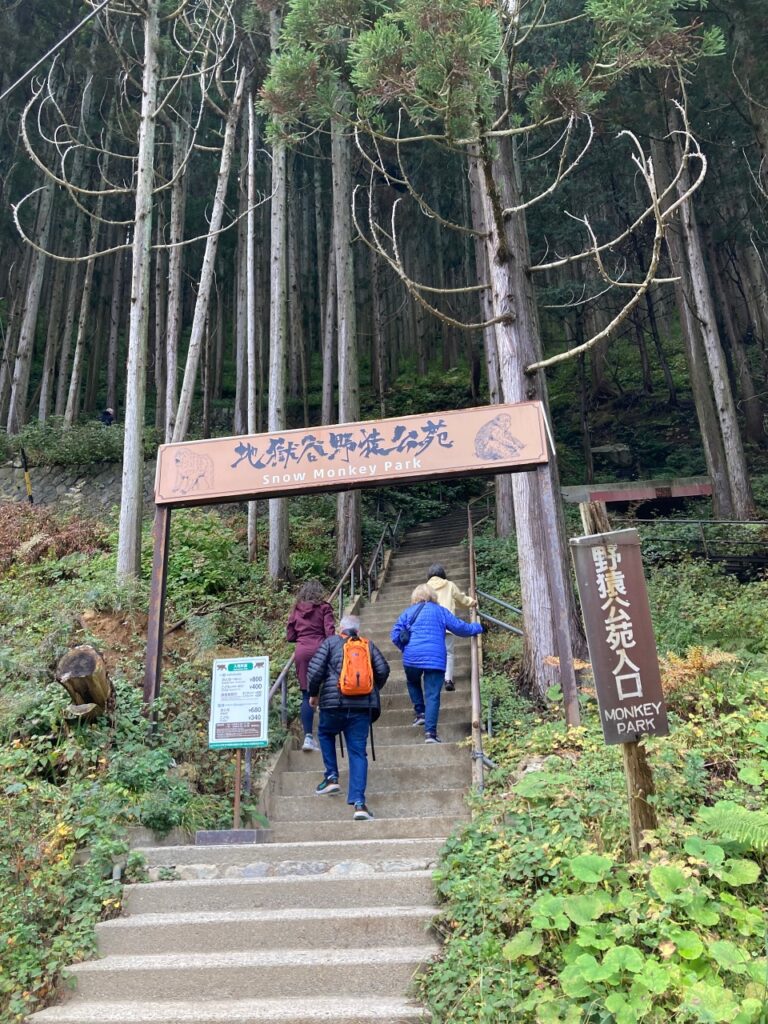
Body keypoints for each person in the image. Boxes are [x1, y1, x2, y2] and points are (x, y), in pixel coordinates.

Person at [307, 614, 390, 820]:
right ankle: (360, 805)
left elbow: (315, 670)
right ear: (358, 631)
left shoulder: (330, 643)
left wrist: (314, 694)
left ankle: (332, 776)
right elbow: (383, 669)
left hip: (333, 704)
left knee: (325, 733)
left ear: (340, 629)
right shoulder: (367, 645)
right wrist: (371, 689)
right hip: (361, 709)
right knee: (358, 753)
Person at [391, 584, 483, 743]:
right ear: (433, 596)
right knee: (432, 695)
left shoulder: (407, 612)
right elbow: (460, 628)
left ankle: (420, 713)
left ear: (415, 597)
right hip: (435, 658)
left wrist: (405, 649)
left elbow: (395, 635)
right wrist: (477, 627)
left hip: (412, 657)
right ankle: (430, 734)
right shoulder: (440, 611)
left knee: (412, 681)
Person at [286, 580, 336, 751]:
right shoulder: (324, 608)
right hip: (320, 651)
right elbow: (330, 633)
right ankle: (325, 736)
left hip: (301, 653)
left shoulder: (296, 610)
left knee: (307, 694)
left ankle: (308, 737)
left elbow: (290, 635)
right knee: (325, 693)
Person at [425, 563, 477, 691]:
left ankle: (434, 679)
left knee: (433, 652)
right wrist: (472, 602)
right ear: (443, 574)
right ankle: (448, 679)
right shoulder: (449, 585)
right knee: (448, 653)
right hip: (448, 626)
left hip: (430, 628)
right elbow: (461, 600)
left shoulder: (425, 588)